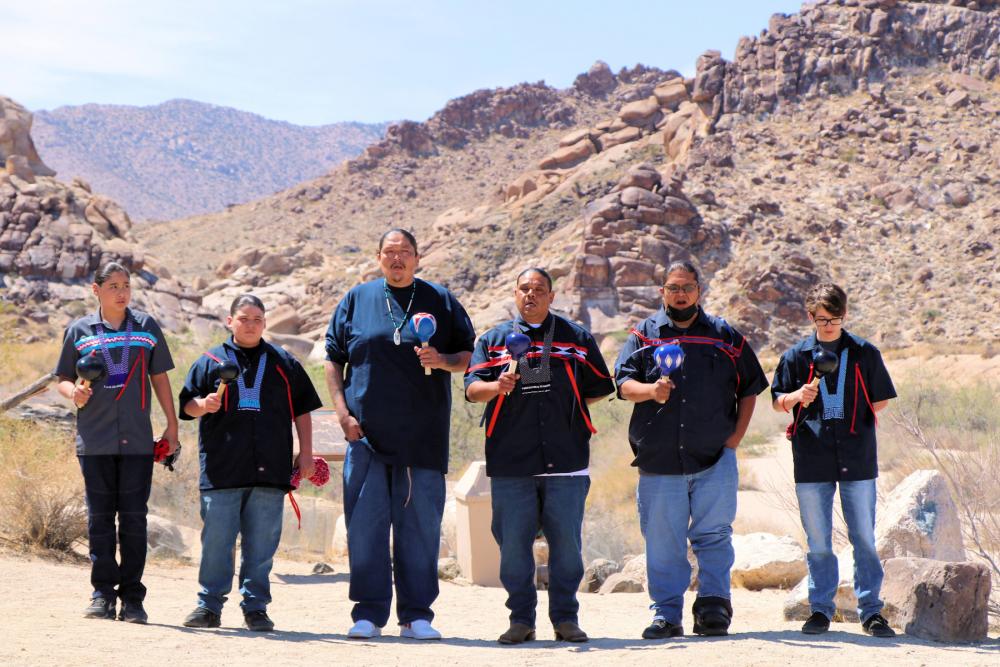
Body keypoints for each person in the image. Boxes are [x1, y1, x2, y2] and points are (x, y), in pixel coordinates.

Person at [325, 229, 476, 640]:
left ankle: (416, 615)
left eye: (404, 253)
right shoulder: (357, 300)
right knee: (366, 527)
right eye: (390, 253)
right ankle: (369, 614)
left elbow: (468, 355)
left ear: (417, 258)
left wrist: (442, 359)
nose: (397, 260)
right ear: (378, 258)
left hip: (421, 440)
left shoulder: (440, 300)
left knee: (419, 529)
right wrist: (342, 415)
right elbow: (333, 361)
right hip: (365, 437)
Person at [614, 260, 767, 639]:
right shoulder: (643, 334)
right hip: (659, 459)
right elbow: (622, 383)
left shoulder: (724, 335)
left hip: (713, 458)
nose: (679, 293)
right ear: (662, 291)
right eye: (672, 287)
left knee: (714, 535)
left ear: (699, 291)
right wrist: (651, 391)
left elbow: (750, 388)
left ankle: (714, 605)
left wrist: (734, 440)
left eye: (686, 287)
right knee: (663, 542)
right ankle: (667, 614)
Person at [465, 268, 614, 644]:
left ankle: (565, 619)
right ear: (515, 294)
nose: (531, 295)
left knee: (567, 546)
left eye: (539, 290)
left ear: (551, 296)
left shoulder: (575, 338)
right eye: (525, 289)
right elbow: (471, 390)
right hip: (511, 459)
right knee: (513, 545)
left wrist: (571, 409)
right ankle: (521, 620)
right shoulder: (495, 339)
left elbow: (598, 386)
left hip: (566, 460)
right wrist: (496, 386)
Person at [179, 294, 322, 632]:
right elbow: (186, 405)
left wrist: (305, 454)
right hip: (222, 467)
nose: (251, 325)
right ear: (230, 321)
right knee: (217, 542)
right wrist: (203, 405)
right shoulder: (210, 360)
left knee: (261, 545)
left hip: (270, 468)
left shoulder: (283, 362)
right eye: (244, 318)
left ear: (265, 323)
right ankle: (208, 606)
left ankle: (256, 607)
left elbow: (302, 409)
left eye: (257, 319)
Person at [770, 283, 897, 638]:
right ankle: (820, 610)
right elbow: (777, 401)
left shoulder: (864, 353)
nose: (829, 326)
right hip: (812, 455)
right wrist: (798, 396)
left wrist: (853, 419)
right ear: (810, 317)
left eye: (836, 318)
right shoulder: (796, 356)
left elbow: (882, 399)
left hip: (857, 455)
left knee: (864, 537)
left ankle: (871, 611)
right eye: (823, 319)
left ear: (845, 314)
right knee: (819, 540)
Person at [55, 261, 179, 624]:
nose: (122, 292)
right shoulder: (79, 330)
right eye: (113, 286)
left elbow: (160, 378)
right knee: (99, 521)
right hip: (94, 440)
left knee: (134, 520)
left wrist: (171, 426)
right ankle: (101, 595)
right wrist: (72, 392)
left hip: (138, 440)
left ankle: (133, 600)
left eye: (126, 285)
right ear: (96, 290)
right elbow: (62, 377)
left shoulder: (146, 327)